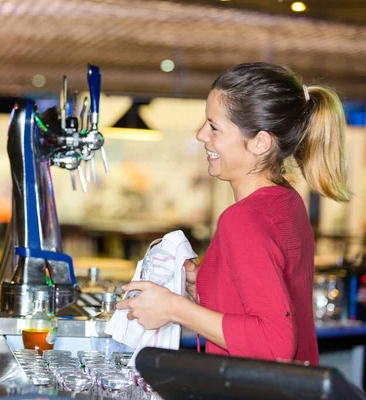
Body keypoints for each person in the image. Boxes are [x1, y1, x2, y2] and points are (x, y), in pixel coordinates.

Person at [117, 62, 351, 365]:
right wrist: (202, 288)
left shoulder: (243, 219)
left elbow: (275, 342)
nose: (202, 135)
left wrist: (174, 308)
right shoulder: (286, 201)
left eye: (214, 127)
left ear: (260, 142)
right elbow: (268, 309)